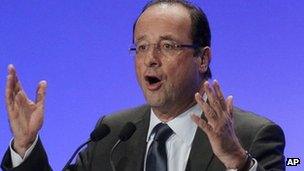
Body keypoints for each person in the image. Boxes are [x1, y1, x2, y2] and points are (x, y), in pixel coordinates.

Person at [1, 0, 285, 171]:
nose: (150, 59)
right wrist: (25, 145)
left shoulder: (253, 135)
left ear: (202, 58)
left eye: (168, 46)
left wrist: (238, 161)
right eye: (141, 47)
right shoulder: (111, 133)